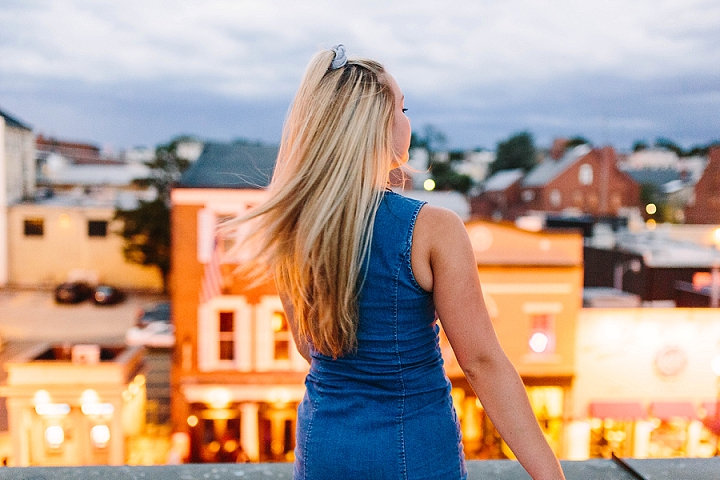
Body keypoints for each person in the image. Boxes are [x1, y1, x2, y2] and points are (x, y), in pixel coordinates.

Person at [227, 44, 565, 480]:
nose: (408, 121)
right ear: (376, 126)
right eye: (402, 108)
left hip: (323, 446)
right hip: (411, 450)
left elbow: (309, 347)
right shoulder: (432, 229)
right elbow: (481, 363)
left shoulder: (293, 226)